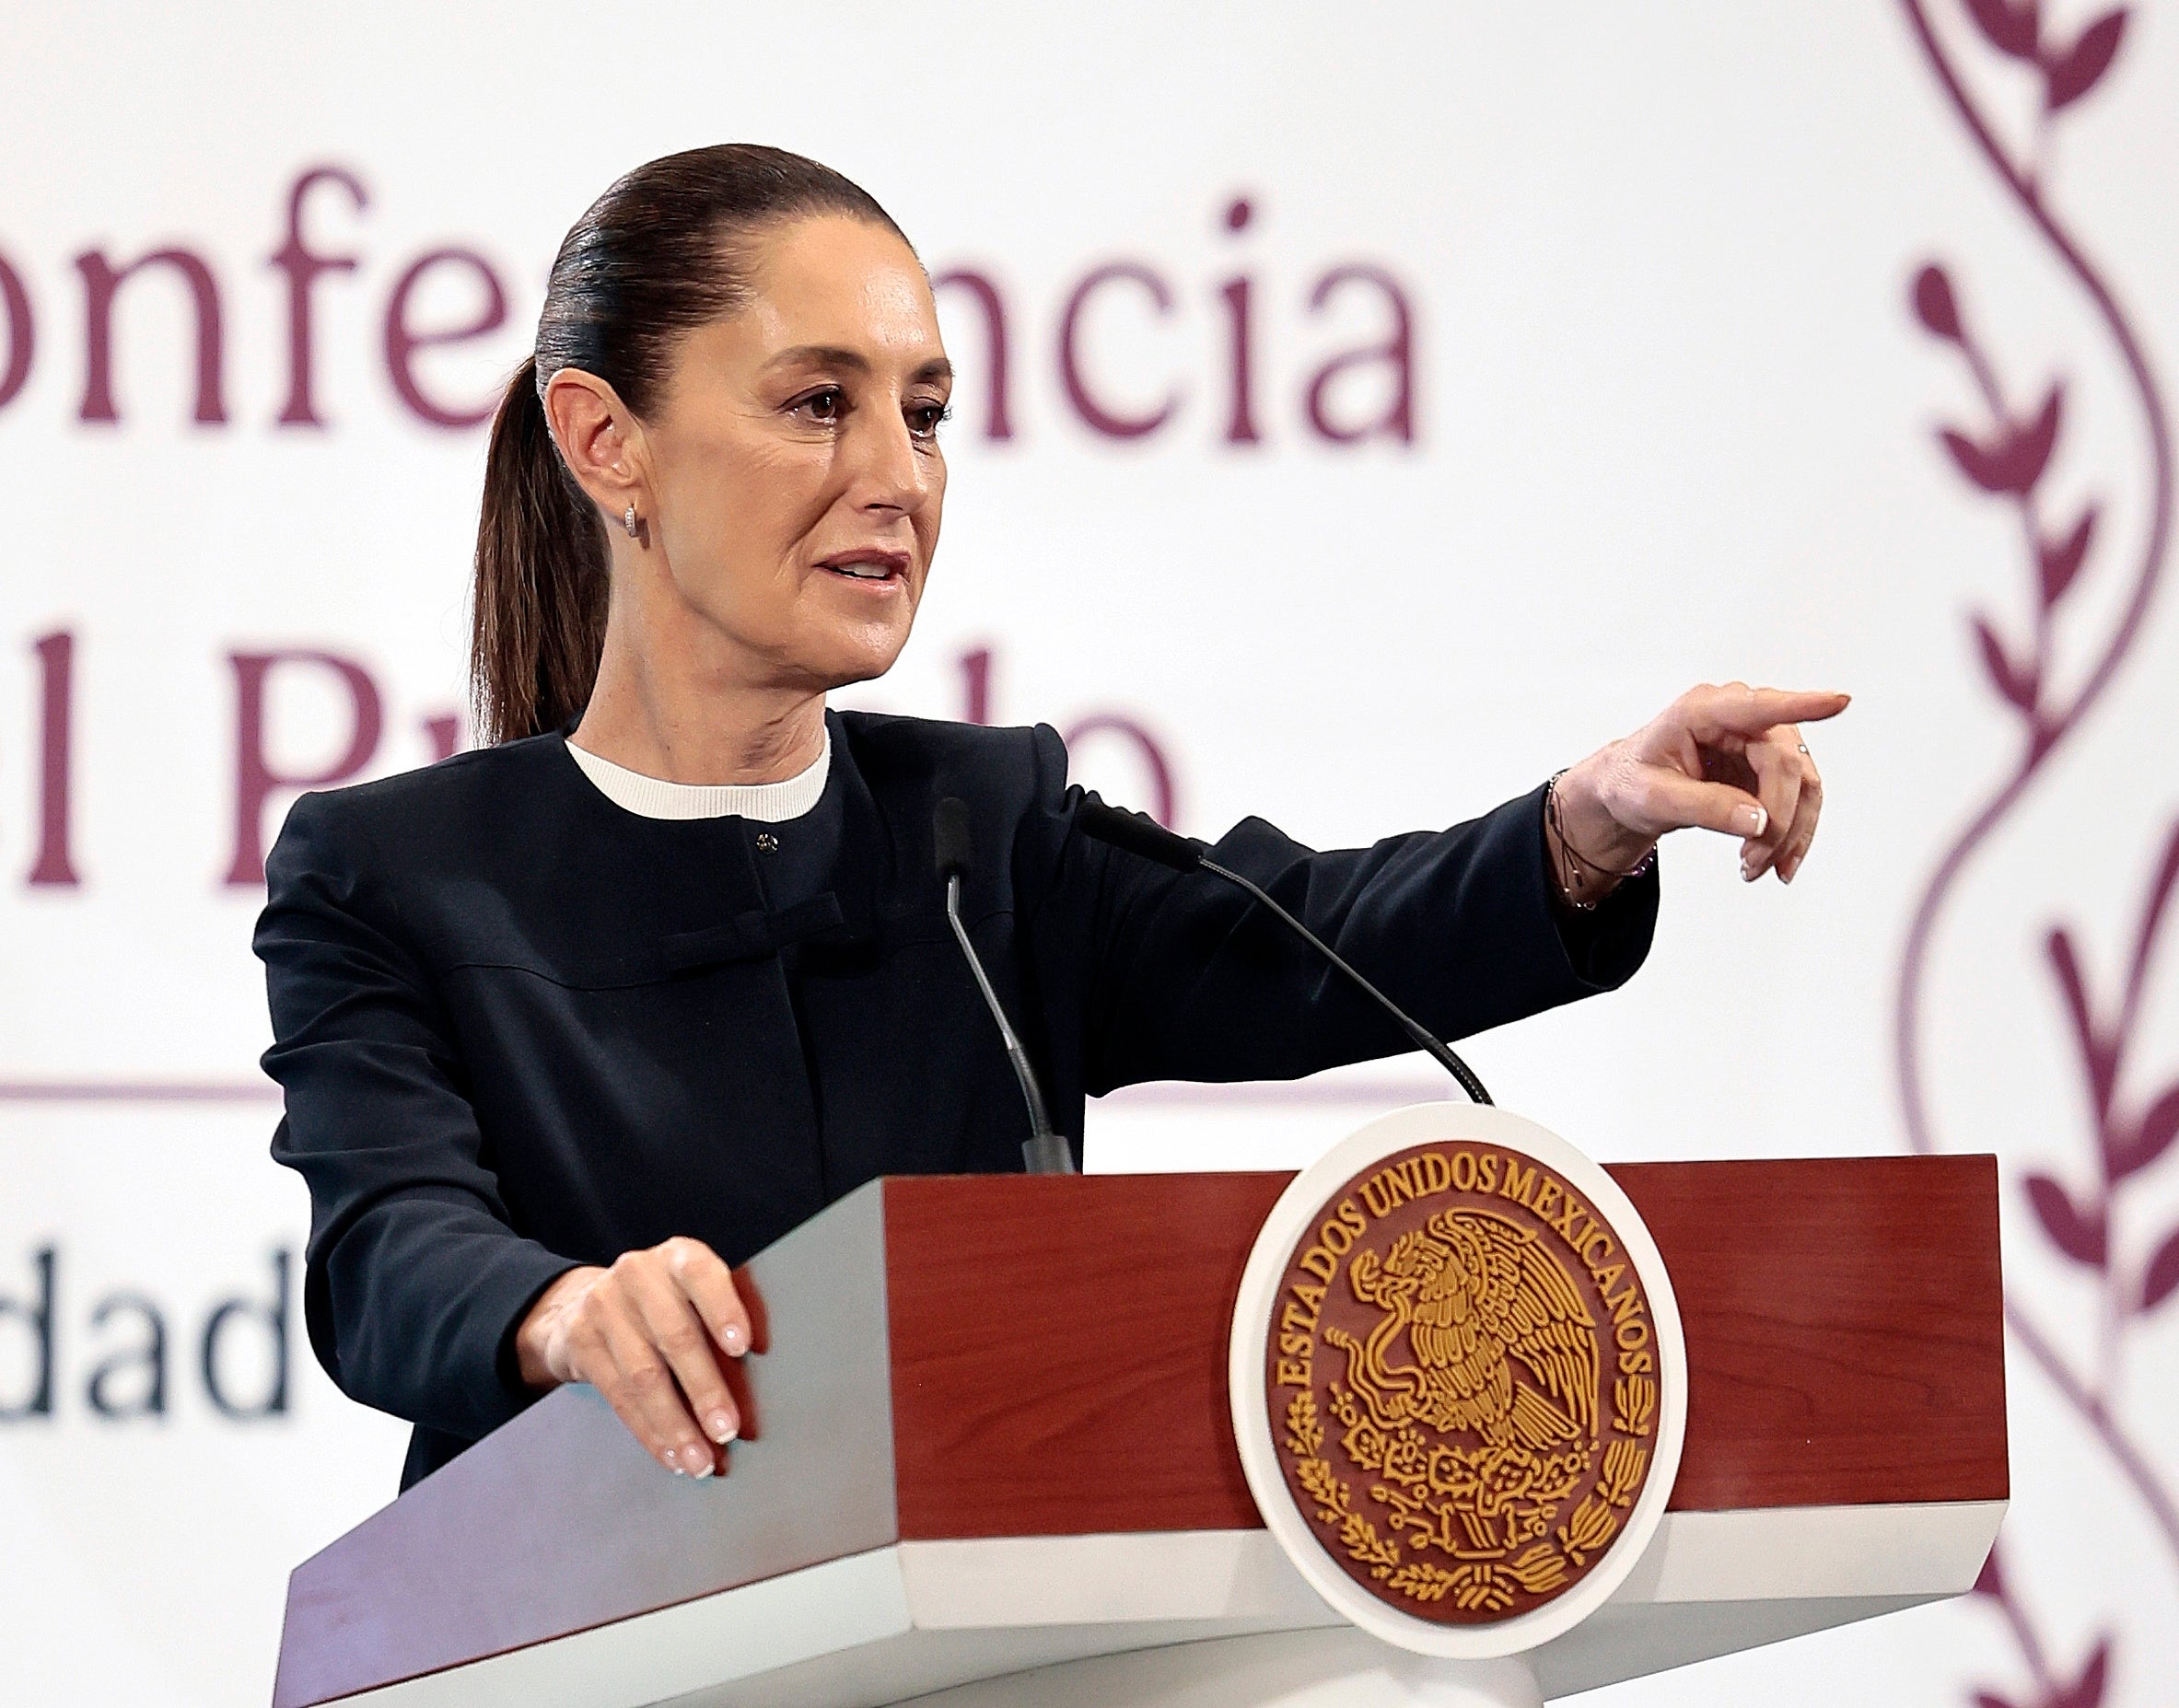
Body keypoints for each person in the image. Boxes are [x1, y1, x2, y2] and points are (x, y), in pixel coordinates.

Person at [256, 145, 1845, 1493]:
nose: (898, 476)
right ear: (606, 441)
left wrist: (1585, 825)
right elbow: (388, 1247)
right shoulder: (396, 877)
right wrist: (560, 1314)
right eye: (817, 403)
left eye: (924, 412)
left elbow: (1312, 943)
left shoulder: (979, 833)